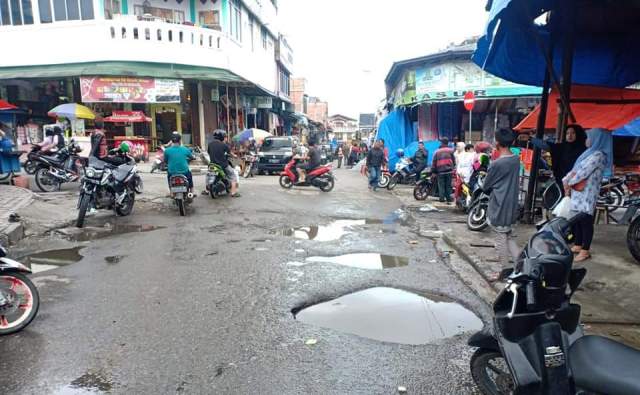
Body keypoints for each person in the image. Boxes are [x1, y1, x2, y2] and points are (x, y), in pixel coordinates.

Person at [563, 128, 612, 262]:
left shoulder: (598, 155)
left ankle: (585, 250)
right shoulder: (588, 153)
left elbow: (583, 172)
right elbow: (576, 169)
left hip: (587, 193)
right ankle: (578, 244)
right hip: (578, 192)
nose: (586, 140)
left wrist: (569, 182)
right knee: (578, 219)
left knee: (585, 220)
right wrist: (567, 180)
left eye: (589, 137)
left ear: (597, 139)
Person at [482, 128, 521, 277]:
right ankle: (519, 267)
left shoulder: (497, 164)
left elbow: (486, 186)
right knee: (509, 236)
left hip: (499, 205)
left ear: (497, 143)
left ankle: (504, 270)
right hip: (512, 205)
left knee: (500, 239)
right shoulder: (516, 159)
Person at [531, 124, 587, 194]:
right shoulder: (561, 147)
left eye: (573, 133)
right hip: (561, 181)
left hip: (577, 183)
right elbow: (546, 145)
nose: (569, 136)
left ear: (578, 134)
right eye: (567, 133)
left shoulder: (584, 150)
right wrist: (530, 139)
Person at [207, 130, 240, 197]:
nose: (226, 138)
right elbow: (230, 153)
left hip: (212, 164)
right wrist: (235, 156)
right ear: (222, 137)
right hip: (223, 165)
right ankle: (233, 192)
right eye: (225, 137)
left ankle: (207, 190)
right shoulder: (223, 145)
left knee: (208, 175)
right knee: (233, 175)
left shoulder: (210, 144)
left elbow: (209, 152)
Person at [432, 137, 456, 203]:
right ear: (447, 143)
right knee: (448, 185)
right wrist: (453, 167)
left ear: (441, 143)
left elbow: (434, 162)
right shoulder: (451, 150)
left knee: (441, 185)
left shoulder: (437, 151)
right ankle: (448, 199)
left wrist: (433, 171)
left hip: (440, 171)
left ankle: (441, 198)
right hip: (449, 171)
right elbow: (454, 161)